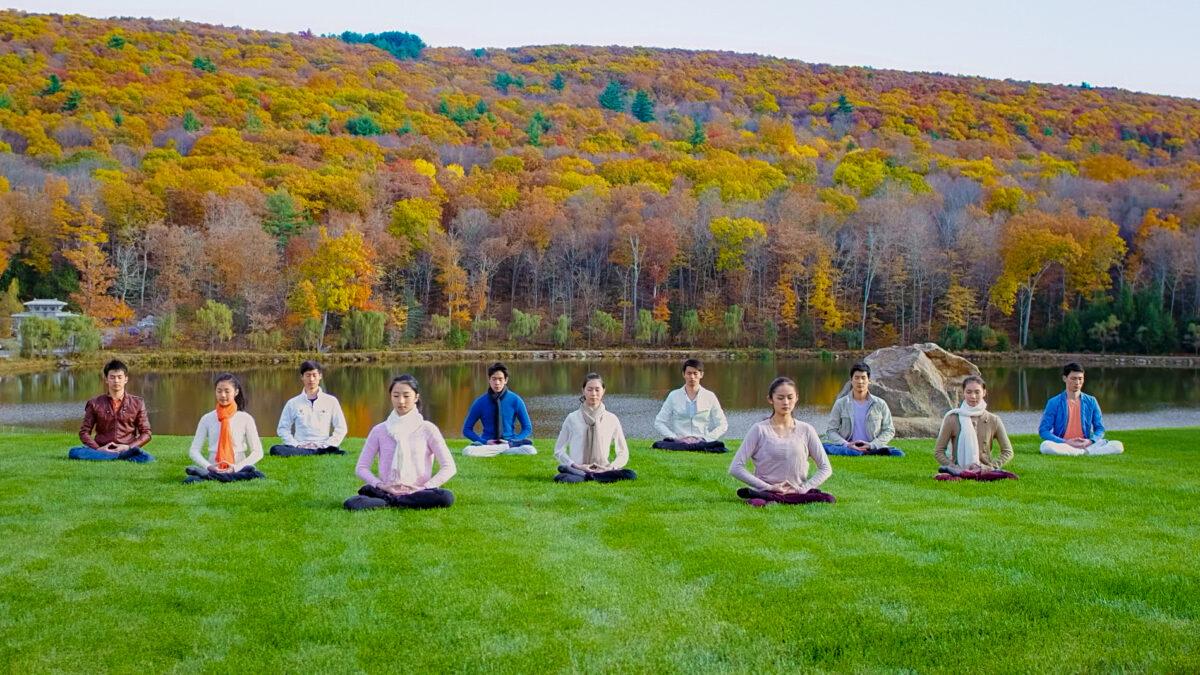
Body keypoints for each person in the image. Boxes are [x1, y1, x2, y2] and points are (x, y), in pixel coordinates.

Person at [344, 375, 457, 510]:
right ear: (390, 397)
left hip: (419, 491)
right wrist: (381, 485)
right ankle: (396, 500)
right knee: (352, 502)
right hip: (387, 489)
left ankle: (391, 502)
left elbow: (449, 467)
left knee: (445, 497)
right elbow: (361, 468)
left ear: (416, 397)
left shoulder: (428, 429)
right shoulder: (380, 430)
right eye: (396, 396)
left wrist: (424, 487)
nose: (401, 401)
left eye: (406, 396)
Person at [730, 376, 834, 506]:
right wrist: (769, 487)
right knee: (758, 502)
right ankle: (772, 498)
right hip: (767, 492)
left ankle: (785, 499)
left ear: (797, 398)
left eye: (790, 397)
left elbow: (825, 468)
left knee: (828, 499)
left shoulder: (807, 429)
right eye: (780, 398)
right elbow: (735, 468)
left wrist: (805, 488)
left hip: (797, 492)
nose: (786, 402)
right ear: (770, 399)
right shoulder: (759, 429)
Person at [552, 373, 636, 483]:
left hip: (603, 469)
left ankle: (590, 477)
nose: (594, 394)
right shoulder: (572, 418)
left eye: (597, 390)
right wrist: (575, 465)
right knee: (562, 474)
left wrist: (611, 467)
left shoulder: (611, 419)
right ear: (583, 390)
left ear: (603, 391)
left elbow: (623, 452)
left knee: (630, 474)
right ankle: (588, 475)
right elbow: (558, 450)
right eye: (590, 389)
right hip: (579, 468)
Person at [933, 376, 1018, 481]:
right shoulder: (952, 418)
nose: (973, 396)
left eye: (977, 392)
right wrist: (953, 467)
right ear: (963, 393)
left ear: (984, 392)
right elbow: (938, 451)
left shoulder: (994, 420)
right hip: (958, 470)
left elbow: (1008, 451)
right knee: (945, 476)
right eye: (968, 392)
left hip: (984, 471)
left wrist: (992, 467)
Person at [185, 373, 266, 483]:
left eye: (227, 391)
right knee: (190, 480)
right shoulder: (207, 418)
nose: (223, 395)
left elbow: (258, 452)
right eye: (219, 391)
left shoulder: (246, 418)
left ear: (236, 392)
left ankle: (208, 476)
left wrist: (235, 468)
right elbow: (194, 451)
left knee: (258, 475)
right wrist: (209, 467)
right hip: (214, 468)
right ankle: (215, 475)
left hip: (238, 467)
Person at [69, 359, 154, 463]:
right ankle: (115, 457)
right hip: (101, 448)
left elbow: (146, 433)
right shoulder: (94, 403)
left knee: (147, 458)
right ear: (106, 379)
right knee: (74, 452)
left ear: (126, 379)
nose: (116, 381)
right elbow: (84, 432)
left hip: (127, 449)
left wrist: (128, 447)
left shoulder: (138, 403)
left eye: (119, 377)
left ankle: (113, 456)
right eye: (112, 377)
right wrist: (98, 448)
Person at [1038, 362, 1125, 456]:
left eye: (1080, 379)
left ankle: (1081, 452)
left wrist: (1090, 441)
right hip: (1064, 444)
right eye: (1073, 378)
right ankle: (1084, 453)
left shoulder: (1091, 401)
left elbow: (1100, 428)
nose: (1077, 382)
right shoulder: (1054, 402)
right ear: (1064, 378)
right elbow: (1044, 430)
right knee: (1045, 446)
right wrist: (1066, 442)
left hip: (1086, 444)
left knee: (1118, 445)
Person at [823, 362, 903, 456]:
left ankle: (861, 452)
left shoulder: (880, 403)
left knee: (898, 453)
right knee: (824, 446)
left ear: (869, 380)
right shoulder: (841, 403)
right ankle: (856, 451)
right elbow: (831, 431)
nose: (860, 381)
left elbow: (889, 430)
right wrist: (847, 444)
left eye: (863, 378)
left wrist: (872, 445)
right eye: (856, 378)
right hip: (849, 446)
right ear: (851, 380)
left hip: (871, 446)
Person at [271, 360, 348, 456]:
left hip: (322, 445)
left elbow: (341, 428)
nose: (311, 379)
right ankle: (313, 453)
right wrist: (296, 445)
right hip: (300, 446)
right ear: (302, 377)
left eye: (314, 375)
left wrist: (327, 445)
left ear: (320, 376)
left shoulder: (331, 401)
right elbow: (282, 429)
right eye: (308, 375)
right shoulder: (293, 403)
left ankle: (318, 451)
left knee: (336, 450)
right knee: (275, 449)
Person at [651, 358, 729, 453]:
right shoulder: (674, 395)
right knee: (659, 444)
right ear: (684, 374)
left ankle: (701, 445)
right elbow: (659, 422)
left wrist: (707, 438)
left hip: (702, 441)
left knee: (720, 446)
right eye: (689, 373)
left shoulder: (710, 396)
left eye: (695, 373)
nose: (692, 377)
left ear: (701, 375)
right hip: (679, 442)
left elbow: (722, 424)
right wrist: (674, 437)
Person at [460, 362, 536, 456]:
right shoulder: (480, 402)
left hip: (510, 444)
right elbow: (467, 429)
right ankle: (499, 451)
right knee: (467, 451)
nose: (497, 383)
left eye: (500, 379)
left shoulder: (515, 400)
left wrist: (515, 441)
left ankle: (499, 451)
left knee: (531, 450)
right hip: (488, 444)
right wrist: (484, 441)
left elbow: (527, 427)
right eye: (494, 379)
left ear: (506, 380)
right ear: (489, 380)